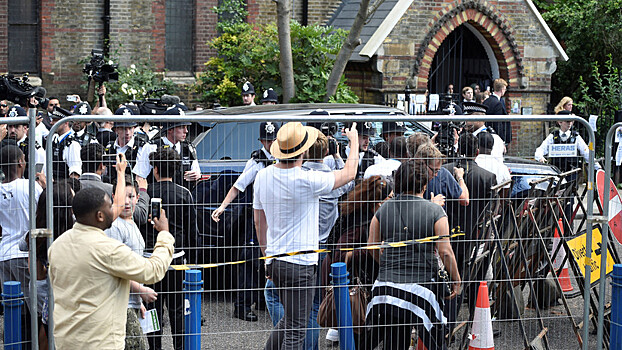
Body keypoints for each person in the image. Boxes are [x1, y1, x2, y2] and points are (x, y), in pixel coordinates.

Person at [253, 121, 360, 349]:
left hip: (276, 260)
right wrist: (353, 141)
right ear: (303, 151)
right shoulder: (306, 180)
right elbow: (350, 173)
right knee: (296, 328)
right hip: (301, 264)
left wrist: (267, 258)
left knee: (288, 321)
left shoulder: (263, 176)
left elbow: (259, 222)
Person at [48, 163, 175, 349]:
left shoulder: (58, 245)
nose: (116, 208)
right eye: (110, 206)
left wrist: (121, 173)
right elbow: (152, 271)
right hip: (100, 342)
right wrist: (164, 234)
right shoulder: (109, 249)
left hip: (67, 340)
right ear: (100, 216)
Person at [363, 159, 461, 350]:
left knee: (394, 339)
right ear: (425, 184)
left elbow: (372, 246)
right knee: (433, 337)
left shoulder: (383, 210)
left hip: (387, 288)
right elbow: (445, 252)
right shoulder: (435, 211)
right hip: (421, 288)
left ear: (397, 182)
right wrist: (456, 279)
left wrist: (384, 263)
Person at [211, 121, 280, 322]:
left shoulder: (283, 157)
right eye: (267, 140)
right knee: (249, 260)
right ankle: (241, 306)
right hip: (256, 216)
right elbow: (238, 186)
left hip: (275, 217)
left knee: (268, 257)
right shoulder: (257, 161)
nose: (270, 144)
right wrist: (223, 206)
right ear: (261, 141)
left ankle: (261, 298)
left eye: (274, 139)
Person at [142, 148, 200, 350]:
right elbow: (193, 231)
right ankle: (179, 346)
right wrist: (193, 259)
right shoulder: (185, 193)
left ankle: (155, 346)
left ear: (155, 169)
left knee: (153, 308)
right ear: (175, 170)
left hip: (150, 257)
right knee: (177, 309)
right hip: (177, 257)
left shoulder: (147, 193)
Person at [105, 175, 157, 350]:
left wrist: (138, 302)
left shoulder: (132, 223)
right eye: (123, 196)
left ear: (137, 198)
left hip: (131, 301)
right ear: (114, 197)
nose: (127, 202)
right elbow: (117, 269)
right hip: (120, 303)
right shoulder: (114, 227)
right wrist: (141, 290)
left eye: (131, 196)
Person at [0, 145, 45, 343]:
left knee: (12, 308)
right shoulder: (30, 186)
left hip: (3, 255)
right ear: (20, 162)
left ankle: (16, 343)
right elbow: (42, 212)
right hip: (24, 255)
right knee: (34, 309)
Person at [133, 104, 201, 189]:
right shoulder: (152, 147)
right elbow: (140, 177)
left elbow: (197, 174)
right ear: (170, 129)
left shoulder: (188, 148)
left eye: (186, 127)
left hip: (182, 199)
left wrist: (196, 175)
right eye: (181, 127)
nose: (186, 131)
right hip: (157, 197)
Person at [534, 110, 599, 173]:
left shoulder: (576, 136)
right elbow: (541, 149)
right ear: (560, 122)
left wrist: (598, 167)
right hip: (556, 171)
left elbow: (586, 153)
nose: (570, 123)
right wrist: (540, 157)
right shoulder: (553, 136)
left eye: (571, 121)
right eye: (567, 121)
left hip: (572, 172)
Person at [416, 143, 469, 209]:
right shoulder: (407, 178)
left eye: (438, 170)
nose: (436, 174)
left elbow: (464, 200)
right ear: (422, 164)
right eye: (434, 170)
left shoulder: (443, 173)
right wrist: (460, 178)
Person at [4, 106, 46, 178]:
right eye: (10, 126)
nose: (13, 130)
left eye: (17, 126)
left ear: (25, 127)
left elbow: (38, 176)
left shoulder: (34, 148)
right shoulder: (3, 145)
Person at [46, 106, 83, 180]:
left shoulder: (72, 144)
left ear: (66, 122)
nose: (51, 123)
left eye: (55, 120)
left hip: (64, 187)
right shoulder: (53, 139)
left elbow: (75, 172)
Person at [475, 132, 511, 198]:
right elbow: (506, 188)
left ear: (476, 145)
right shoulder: (502, 167)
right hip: (492, 206)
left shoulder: (473, 164)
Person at [484, 78, 512, 145]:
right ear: (502, 89)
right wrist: (501, 140)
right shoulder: (498, 103)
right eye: (505, 89)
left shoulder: (487, 101)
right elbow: (498, 124)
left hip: (488, 135)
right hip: (496, 137)